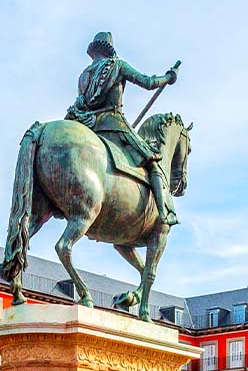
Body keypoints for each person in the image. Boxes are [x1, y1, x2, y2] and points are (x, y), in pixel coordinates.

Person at [66, 32, 179, 226]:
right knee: (152, 160)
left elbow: (85, 104)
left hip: (89, 126)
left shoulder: (83, 75)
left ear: (94, 51)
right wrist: (168, 77)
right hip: (112, 123)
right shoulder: (117, 65)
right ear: (109, 49)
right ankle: (164, 213)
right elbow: (148, 82)